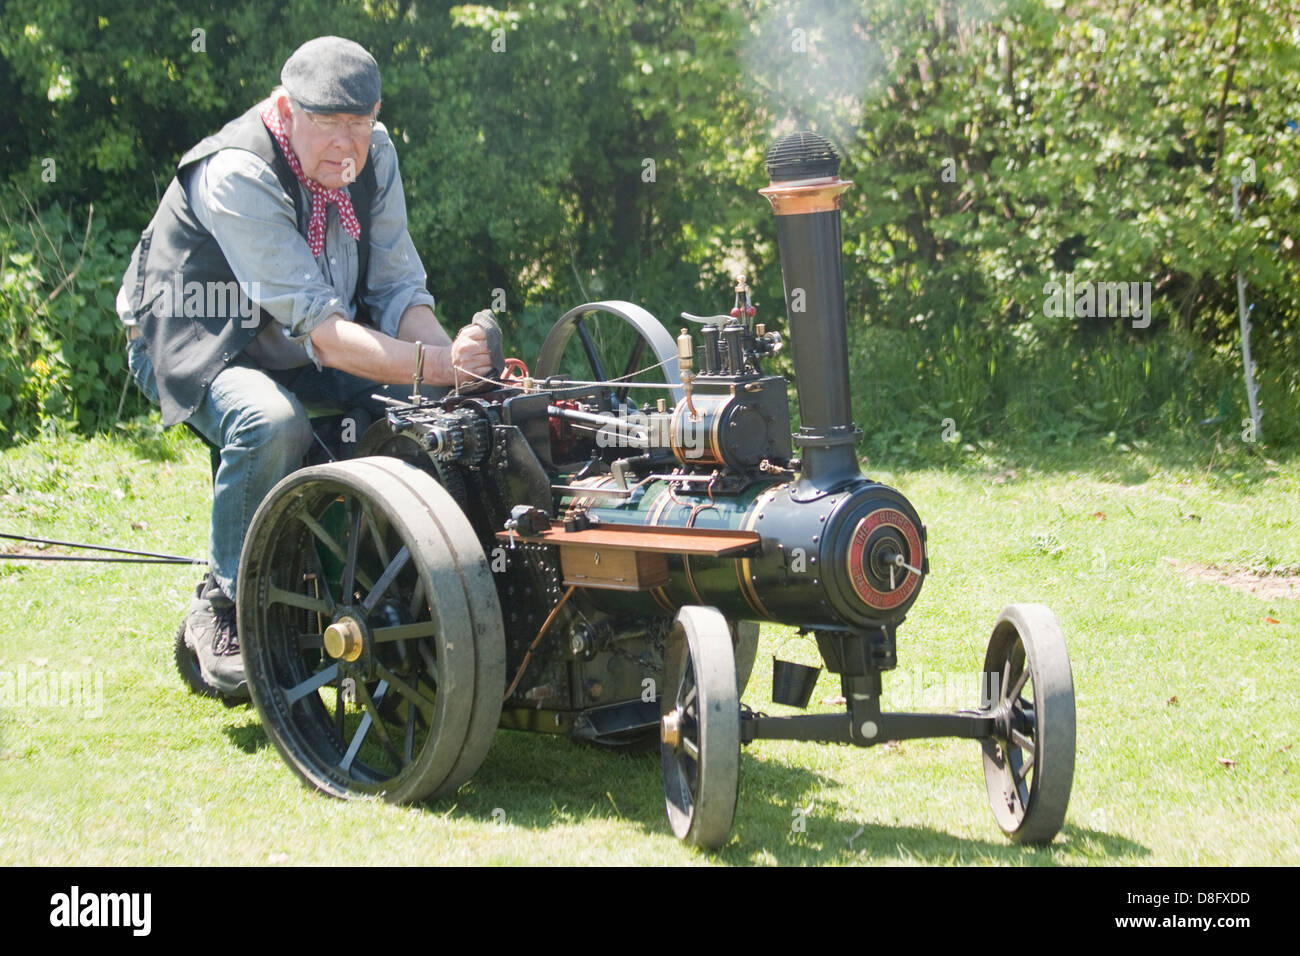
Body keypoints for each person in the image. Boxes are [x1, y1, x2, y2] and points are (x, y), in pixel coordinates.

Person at [116, 36, 494, 699]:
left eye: (361, 121)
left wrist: (454, 368)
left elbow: (401, 293)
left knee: (416, 421)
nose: (346, 144)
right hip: (189, 336)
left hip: (289, 339)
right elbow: (324, 335)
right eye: (328, 121)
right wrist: (438, 367)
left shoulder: (374, 158)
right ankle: (224, 607)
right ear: (286, 108)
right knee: (269, 423)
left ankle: (382, 603)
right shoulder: (239, 172)